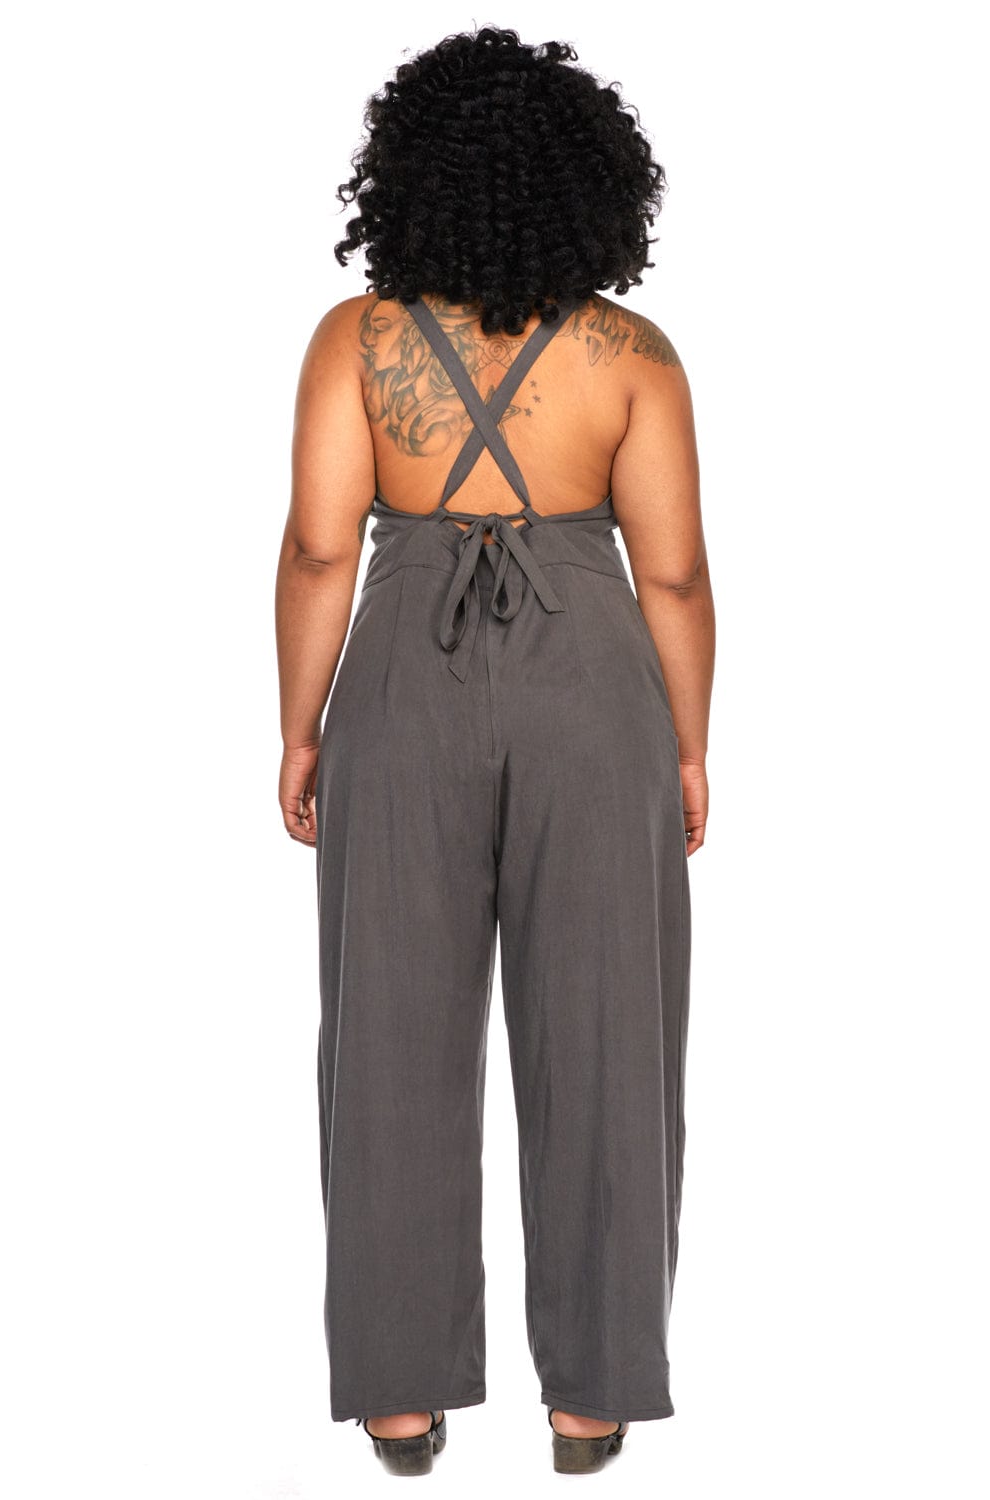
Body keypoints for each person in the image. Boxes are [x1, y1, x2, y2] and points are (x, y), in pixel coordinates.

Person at [275, 24, 713, 1477]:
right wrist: (689, 750)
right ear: (591, 185)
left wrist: (299, 729)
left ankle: (401, 1399)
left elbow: (320, 547)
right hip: (595, 683)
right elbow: (673, 576)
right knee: (608, 1026)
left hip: (403, 671)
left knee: (388, 1030)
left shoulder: (357, 340)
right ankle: (592, 1398)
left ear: (407, 174)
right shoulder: (631, 356)